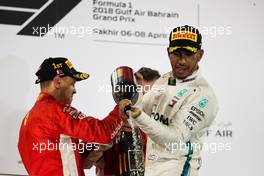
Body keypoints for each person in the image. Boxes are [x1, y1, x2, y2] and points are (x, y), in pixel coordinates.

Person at [119, 25, 219, 176]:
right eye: (176, 54)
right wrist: (131, 98)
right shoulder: (165, 79)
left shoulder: (204, 95)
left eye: (189, 54)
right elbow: (143, 107)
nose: (182, 61)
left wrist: (138, 116)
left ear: (200, 55)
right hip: (151, 167)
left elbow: (175, 140)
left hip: (178, 169)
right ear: (168, 52)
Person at [18, 57, 125, 176]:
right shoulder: (54, 110)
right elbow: (103, 132)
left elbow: (70, 158)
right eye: (72, 84)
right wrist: (120, 110)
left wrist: (97, 145)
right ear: (58, 82)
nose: (75, 91)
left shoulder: (29, 118)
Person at [85, 67, 160, 176]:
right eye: (152, 93)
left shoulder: (160, 128)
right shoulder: (112, 125)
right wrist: (105, 143)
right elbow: (86, 163)